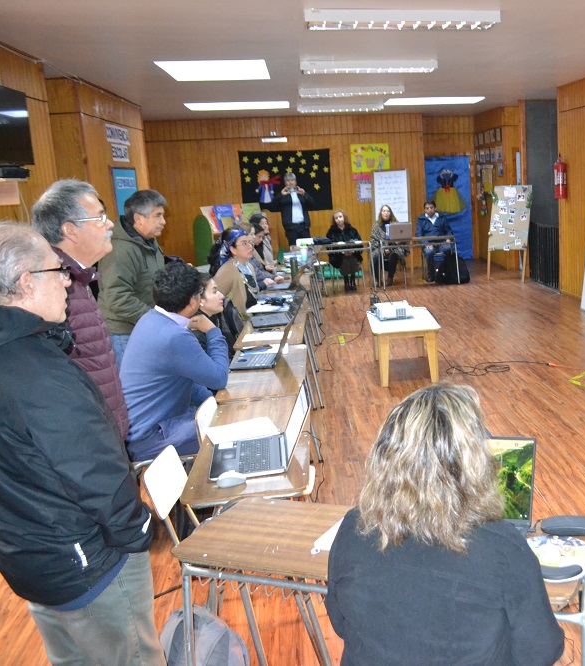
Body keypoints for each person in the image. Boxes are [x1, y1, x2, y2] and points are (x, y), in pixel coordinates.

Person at [0, 223, 163, 666]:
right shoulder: (37, 371)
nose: (69, 280)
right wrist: (139, 530)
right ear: (26, 282)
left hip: (31, 562)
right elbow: (94, 472)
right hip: (88, 562)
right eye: (59, 272)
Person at [326, 383, 565, 665]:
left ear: (384, 458)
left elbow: (341, 623)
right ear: (476, 464)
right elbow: (541, 651)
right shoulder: (503, 548)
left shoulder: (354, 528)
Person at [31, 179, 129, 440]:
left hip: (104, 433)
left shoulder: (77, 280)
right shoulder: (55, 288)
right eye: (100, 217)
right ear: (70, 230)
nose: (110, 224)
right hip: (90, 438)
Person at [121, 262, 230, 462]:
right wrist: (213, 331)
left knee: (226, 419)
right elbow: (219, 378)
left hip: (150, 429)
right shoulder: (175, 336)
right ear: (193, 302)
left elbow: (189, 380)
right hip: (153, 438)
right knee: (231, 435)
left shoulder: (150, 319)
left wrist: (216, 404)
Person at [98, 188, 167, 368]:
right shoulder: (120, 250)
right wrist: (154, 318)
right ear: (138, 218)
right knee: (134, 392)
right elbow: (117, 298)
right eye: (158, 216)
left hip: (143, 327)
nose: (163, 222)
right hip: (124, 334)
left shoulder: (148, 241)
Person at [213, 226, 277, 317]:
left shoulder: (249, 266)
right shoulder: (227, 271)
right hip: (241, 323)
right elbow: (213, 302)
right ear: (233, 249)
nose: (250, 247)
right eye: (244, 244)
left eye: (250, 242)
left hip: (254, 315)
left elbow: (254, 294)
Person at [193, 273, 239, 360]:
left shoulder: (215, 317)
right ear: (200, 299)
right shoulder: (196, 335)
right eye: (214, 292)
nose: (222, 296)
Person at [369, 204, 408, 286]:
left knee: (394, 255)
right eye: (384, 211)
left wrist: (390, 249)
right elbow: (373, 241)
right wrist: (383, 249)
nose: (386, 213)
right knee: (375, 255)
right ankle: (377, 280)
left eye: (388, 211)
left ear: (391, 213)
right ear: (381, 213)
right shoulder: (376, 226)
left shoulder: (396, 225)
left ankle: (390, 278)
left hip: (393, 249)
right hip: (380, 249)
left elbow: (401, 240)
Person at [415, 200, 454, 282]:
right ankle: (431, 275)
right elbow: (418, 234)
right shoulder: (421, 219)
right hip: (428, 243)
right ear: (424, 210)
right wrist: (425, 244)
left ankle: (447, 272)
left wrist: (448, 238)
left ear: (435, 208)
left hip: (441, 242)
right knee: (429, 252)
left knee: (448, 249)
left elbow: (448, 230)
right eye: (427, 208)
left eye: (431, 207)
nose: (429, 210)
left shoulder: (442, 217)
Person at [273, 172, 315, 246]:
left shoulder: (301, 194)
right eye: (288, 180)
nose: (290, 182)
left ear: (295, 182)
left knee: (308, 249)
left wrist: (304, 194)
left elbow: (312, 204)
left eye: (292, 180)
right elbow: (273, 205)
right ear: (285, 183)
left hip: (304, 227)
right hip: (291, 228)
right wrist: (281, 195)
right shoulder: (283, 196)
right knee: (294, 250)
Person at [325, 209, 363, 291]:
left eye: (340, 217)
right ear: (334, 220)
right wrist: (342, 252)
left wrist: (352, 251)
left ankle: (352, 281)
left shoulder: (352, 230)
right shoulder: (331, 232)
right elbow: (329, 247)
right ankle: (346, 281)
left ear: (344, 218)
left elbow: (360, 243)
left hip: (353, 254)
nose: (338, 219)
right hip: (338, 256)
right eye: (336, 218)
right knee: (344, 260)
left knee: (352, 259)